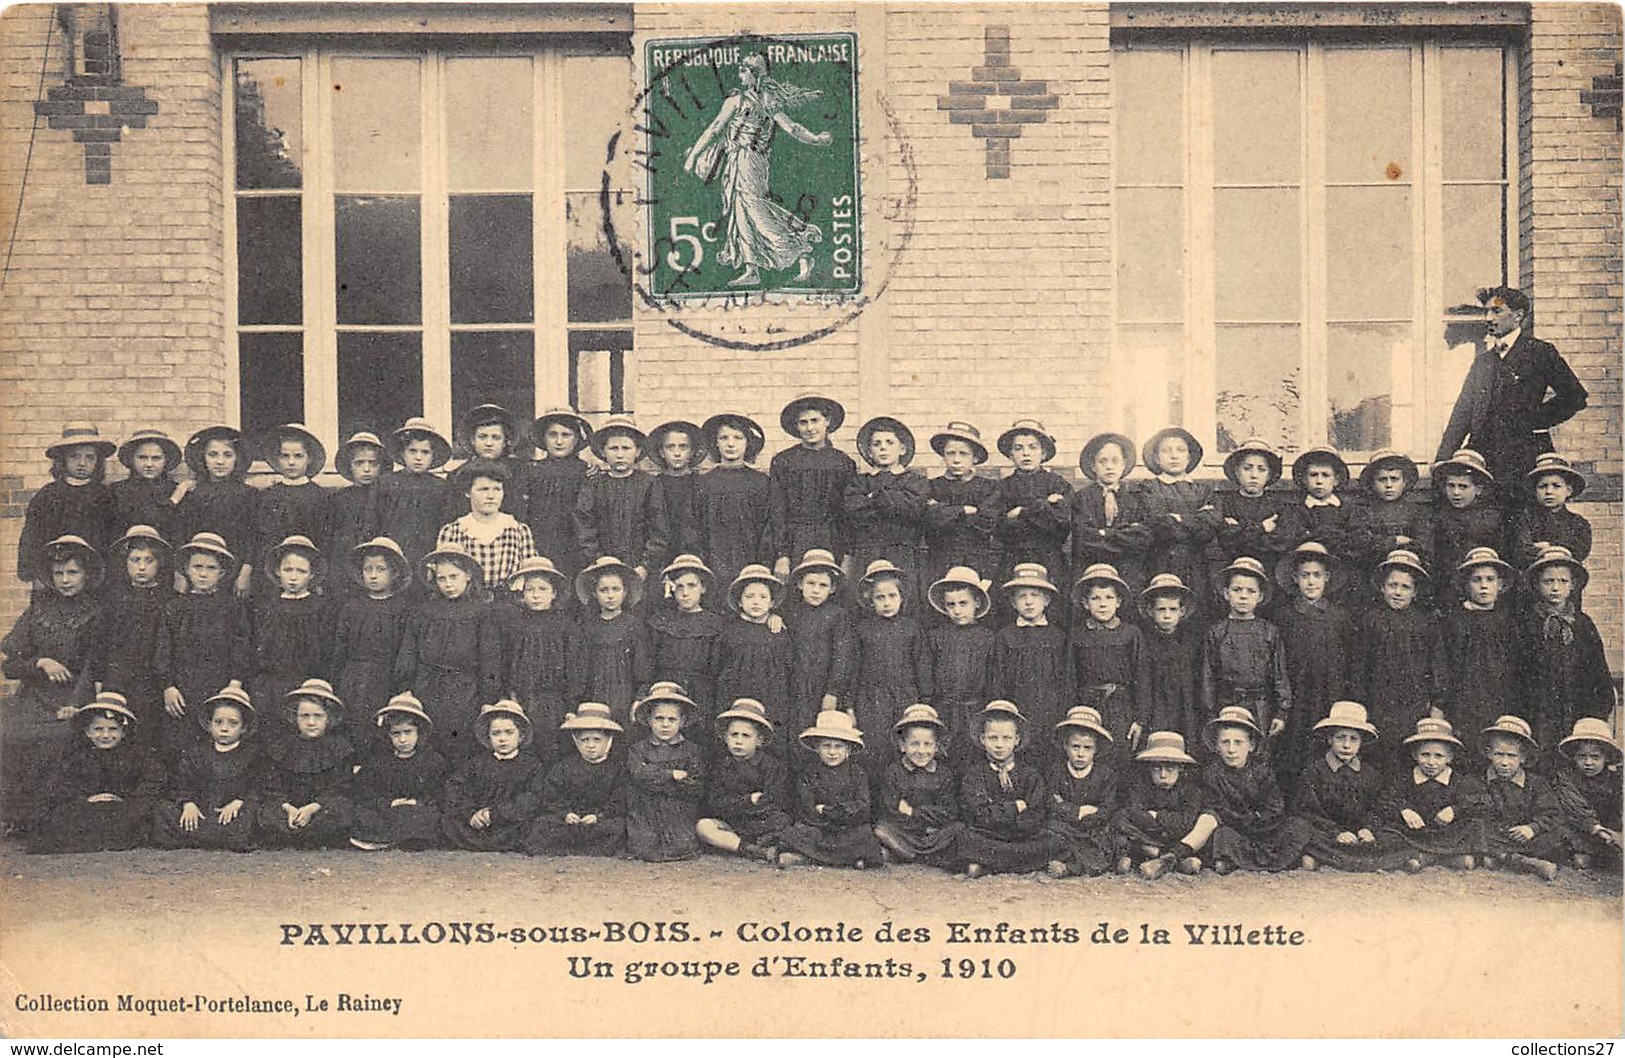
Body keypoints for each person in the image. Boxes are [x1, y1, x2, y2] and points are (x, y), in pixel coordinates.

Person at [682, 52, 833, 288]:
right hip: (737, 161)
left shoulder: (761, 101)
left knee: (756, 210)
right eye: (740, 70)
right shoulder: (741, 100)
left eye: (744, 70)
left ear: (755, 75)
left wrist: (815, 139)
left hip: (751, 162)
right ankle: (752, 268)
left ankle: (801, 248)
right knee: (741, 212)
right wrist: (694, 156)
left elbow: (791, 127)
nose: (740, 74)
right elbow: (714, 129)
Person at [1436, 285, 1588, 491]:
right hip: (1485, 458)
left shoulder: (1539, 352)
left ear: (1518, 316)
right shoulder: (1483, 361)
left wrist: (1535, 420)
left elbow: (1575, 396)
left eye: (1496, 311)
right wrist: (1443, 460)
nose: (1489, 318)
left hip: (1525, 456)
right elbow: (1463, 412)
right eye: (1486, 311)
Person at [2, 535, 105, 825]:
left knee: (59, 739)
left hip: (76, 696)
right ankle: (17, 818)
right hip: (34, 698)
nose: (65, 580)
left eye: (73, 572)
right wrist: (40, 662)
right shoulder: (38, 611)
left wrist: (76, 704)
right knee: (9, 735)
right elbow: (10, 665)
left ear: (87, 574)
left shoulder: (97, 613)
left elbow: (93, 666)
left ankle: (52, 819)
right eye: (58, 574)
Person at [154, 533, 250, 766]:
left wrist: (235, 682)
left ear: (222, 573)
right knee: (181, 741)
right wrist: (168, 685)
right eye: (197, 567)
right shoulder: (175, 606)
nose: (203, 573)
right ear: (187, 570)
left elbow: (242, 644)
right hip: (183, 686)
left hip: (220, 683)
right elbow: (164, 647)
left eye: (211, 568)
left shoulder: (232, 607)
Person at [29, 693, 162, 854]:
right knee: (61, 817)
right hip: (88, 806)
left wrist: (123, 797)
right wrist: (87, 798)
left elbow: (152, 781)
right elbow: (62, 785)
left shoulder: (137, 755)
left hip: (124, 805)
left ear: (123, 732)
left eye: (113, 729)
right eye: (98, 729)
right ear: (87, 732)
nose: (105, 735)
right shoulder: (78, 756)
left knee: (145, 814)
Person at [1272, 542, 1356, 789]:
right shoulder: (1284, 615)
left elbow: (1348, 657)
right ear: (1295, 578)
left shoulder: (1340, 616)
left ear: (1327, 578)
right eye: (1305, 575)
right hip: (1296, 691)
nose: (1311, 582)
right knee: (1295, 743)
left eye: (1317, 575)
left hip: (1330, 690)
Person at [1517, 547, 1615, 756]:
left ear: (1573, 586)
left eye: (1562, 581)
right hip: (1538, 708)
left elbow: (1598, 671)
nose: (1555, 588)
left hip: (1576, 705)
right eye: (1548, 581)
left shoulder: (1582, 624)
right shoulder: (1526, 624)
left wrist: (1595, 714)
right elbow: (1517, 671)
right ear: (1536, 585)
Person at [1290, 701, 1408, 873]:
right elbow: (1308, 811)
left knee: (1395, 834)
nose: (1346, 745)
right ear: (1329, 739)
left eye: (1353, 739)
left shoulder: (1370, 774)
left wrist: (1368, 829)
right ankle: (1351, 858)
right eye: (1340, 738)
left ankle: (1327, 859)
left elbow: (1379, 807)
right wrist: (1336, 833)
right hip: (1328, 834)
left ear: (1361, 743)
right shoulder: (1314, 771)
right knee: (1298, 829)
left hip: (1359, 835)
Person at [398, 543, 493, 754]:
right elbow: (409, 649)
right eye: (442, 578)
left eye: (454, 576)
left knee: (460, 741)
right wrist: (406, 686)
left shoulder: (481, 612)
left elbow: (489, 656)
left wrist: (488, 698)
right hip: (428, 684)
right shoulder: (423, 611)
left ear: (468, 575)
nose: (448, 584)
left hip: (466, 688)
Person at [150, 682, 262, 852]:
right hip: (200, 811)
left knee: (250, 814)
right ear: (209, 725)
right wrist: (188, 803)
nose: (224, 728)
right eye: (218, 722)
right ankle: (207, 836)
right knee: (163, 809)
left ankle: (205, 837)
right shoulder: (196, 752)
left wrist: (239, 802)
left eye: (233, 723)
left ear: (243, 728)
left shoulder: (252, 754)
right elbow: (184, 781)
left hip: (231, 813)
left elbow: (257, 785)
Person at [1357, 550, 1448, 761]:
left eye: (1405, 587)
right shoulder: (1371, 620)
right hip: (1378, 702)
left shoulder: (1425, 623)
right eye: (1392, 585)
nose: (1398, 592)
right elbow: (1359, 666)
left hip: (1413, 704)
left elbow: (1437, 664)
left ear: (1415, 591)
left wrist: (1437, 703)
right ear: (1382, 587)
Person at [1201, 706, 1314, 873]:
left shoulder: (1262, 771)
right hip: (1235, 829)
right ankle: (1234, 859)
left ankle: (1241, 861)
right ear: (1217, 746)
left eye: (1238, 742)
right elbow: (1217, 808)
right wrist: (1242, 820)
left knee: (1298, 826)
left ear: (1251, 745)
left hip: (1263, 828)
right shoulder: (1212, 774)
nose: (1231, 750)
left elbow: (1275, 808)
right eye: (1225, 742)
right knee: (1221, 835)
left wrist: (1257, 819)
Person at [245, 534, 330, 747]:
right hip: (267, 687)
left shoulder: (320, 607)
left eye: (301, 571)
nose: (293, 577)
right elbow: (252, 645)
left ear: (311, 575)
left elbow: (326, 652)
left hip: (303, 686)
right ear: (277, 571)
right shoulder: (265, 606)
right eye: (288, 570)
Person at [490, 555, 576, 764]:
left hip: (553, 702)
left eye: (542, 589)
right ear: (522, 593)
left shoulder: (566, 626)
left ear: (554, 593)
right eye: (530, 590)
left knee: (550, 749)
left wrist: (572, 704)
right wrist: (508, 694)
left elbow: (575, 667)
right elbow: (506, 662)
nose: (536, 595)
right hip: (521, 699)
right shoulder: (515, 625)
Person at [1199, 556, 1291, 752]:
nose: (1243, 596)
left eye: (1251, 591)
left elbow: (1279, 673)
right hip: (1227, 704)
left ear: (1260, 596)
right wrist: (1210, 713)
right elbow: (1208, 676)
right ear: (1226, 593)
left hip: (1261, 707)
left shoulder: (1269, 631)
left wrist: (1281, 712)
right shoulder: (1217, 632)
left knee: (1259, 752)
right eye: (1237, 590)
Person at [90, 525, 172, 742]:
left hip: (151, 681)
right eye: (135, 560)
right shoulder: (113, 600)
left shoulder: (169, 600)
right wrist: (100, 681)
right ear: (125, 563)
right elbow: (100, 643)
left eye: (149, 561)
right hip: (117, 678)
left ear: (159, 563)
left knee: (149, 733)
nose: (142, 567)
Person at [850, 560, 931, 771]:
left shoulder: (912, 628)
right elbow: (853, 669)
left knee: (903, 745)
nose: (887, 602)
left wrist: (923, 702)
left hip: (905, 696)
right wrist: (850, 705)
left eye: (892, 596)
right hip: (870, 699)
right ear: (870, 601)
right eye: (880, 597)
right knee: (874, 748)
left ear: (902, 597)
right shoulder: (862, 630)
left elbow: (922, 666)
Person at [955, 700, 1053, 878]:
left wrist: (1013, 824)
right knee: (963, 836)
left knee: (1054, 839)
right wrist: (1015, 807)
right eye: (993, 738)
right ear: (982, 739)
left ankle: (987, 864)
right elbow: (978, 814)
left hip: (1021, 836)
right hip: (987, 834)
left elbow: (1036, 812)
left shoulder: (1030, 775)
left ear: (1016, 740)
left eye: (1006, 738)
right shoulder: (974, 775)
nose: (999, 745)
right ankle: (1021, 864)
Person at [328, 538, 414, 738]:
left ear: (394, 573)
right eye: (368, 569)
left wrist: (401, 687)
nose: (373, 575)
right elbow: (340, 648)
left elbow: (406, 650)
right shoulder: (352, 607)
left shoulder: (403, 608)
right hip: (353, 677)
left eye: (381, 569)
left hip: (385, 678)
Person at [1378, 716, 1487, 873]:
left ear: (1449, 758)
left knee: (1475, 825)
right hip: (1415, 833)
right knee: (1387, 832)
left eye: (1439, 756)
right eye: (1425, 755)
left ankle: (1425, 858)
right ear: (1415, 755)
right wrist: (1404, 810)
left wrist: (1454, 810)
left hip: (1447, 833)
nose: (1431, 762)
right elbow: (1386, 799)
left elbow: (1478, 801)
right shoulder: (1404, 778)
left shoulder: (1460, 780)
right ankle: (1449, 858)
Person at [843, 416, 929, 613]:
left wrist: (874, 497)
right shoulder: (859, 482)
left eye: (889, 443)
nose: (883, 448)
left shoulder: (916, 481)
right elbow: (855, 510)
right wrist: (893, 501)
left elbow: (912, 510)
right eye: (876, 444)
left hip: (903, 553)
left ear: (902, 449)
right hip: (867, 553)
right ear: (869, 451)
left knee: (905, 606)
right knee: (864, 606)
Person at [777, 709, 884, 869]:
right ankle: (845, 860)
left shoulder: (857, 773)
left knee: (865, 835)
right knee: (793, 833)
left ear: (848, 750)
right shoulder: (808, 772)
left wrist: (832, 811)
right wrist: (821, 816)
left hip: (846, 826)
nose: (832, 752)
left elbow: (863, 804)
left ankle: (809, 858)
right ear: (817, 748)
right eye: (826, 746)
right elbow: (806, 805)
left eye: (838, 746)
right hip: (817, 827)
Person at [256, 678, 355, 849]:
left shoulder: (339, 747)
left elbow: (340, 787)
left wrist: (312, 808)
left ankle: (302, 835)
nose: (311, 722)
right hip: (289, 808)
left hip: (320, 808)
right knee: (267, 812)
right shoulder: (282, 746)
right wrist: (288, 808)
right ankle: (299, 833)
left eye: (318, 716)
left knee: (341, 812)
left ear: (329, 718)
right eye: (304, 716)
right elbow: (272, 786)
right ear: (295, 717)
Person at [16, 423, 116, 591]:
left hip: (95, 579)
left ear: (98, 462)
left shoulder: (106, 496)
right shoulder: (48, 495)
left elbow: (112, 538)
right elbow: (31, 537)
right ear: (62, 460)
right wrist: (34, 574)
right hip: (53, 578)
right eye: (74, 456)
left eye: (90, 457)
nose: (82, 463)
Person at [1441, 547, 1523, 751]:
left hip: (1500, 700)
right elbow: (1443, 663)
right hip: (1463, 703)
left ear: (1501, 585)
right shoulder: (1453, 621)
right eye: (1477, 580)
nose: (1484, 586)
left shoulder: (1509, 622)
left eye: (1490, 579)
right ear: (1466, 585)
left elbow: (1518, 666)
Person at [769, 394, 857, 579]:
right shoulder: (784, 461)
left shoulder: (843, 462)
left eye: (815, 421)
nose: (810, 428)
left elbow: (849, 513)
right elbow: (777, 510)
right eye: (803, 422)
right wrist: (782, 555)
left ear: (827, 422)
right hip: (796, 539)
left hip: (832, 539)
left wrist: (848, 555)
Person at [523, 702, 627, 858]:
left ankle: (594, 850)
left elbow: (620, 800)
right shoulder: (564, 767)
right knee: (542, 824)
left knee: (619, 827)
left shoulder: (617, 769)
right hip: (569, 822)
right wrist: (565, 814)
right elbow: (552, 797)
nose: (590, 746)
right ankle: (568, 850)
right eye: (585, 740)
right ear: (576, 740)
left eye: (597, 740)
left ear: (609, 740)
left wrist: (599, 816)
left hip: (598, 822)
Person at [574, 415, 668, 585]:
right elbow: (585, 525)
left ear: (637, 451)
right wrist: (598, 560)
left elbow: (658, 527)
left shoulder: (649, 483)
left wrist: (645, 566)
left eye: (626, 448)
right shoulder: (594, 484)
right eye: (613, 448)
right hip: (602, 565)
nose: (620, 455)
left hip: (638, 567)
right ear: (603, 452)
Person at [989, 420, 1072, 611]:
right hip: (1013, 558)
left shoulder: (1058, 484)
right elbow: (999, 526)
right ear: (1011, 455)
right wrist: (1044, 507)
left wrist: (1022, 512)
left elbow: (1060, 523)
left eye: (1033, 447)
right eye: (1018, 448)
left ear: (1043, 453)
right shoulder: (1002, 487)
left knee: (1054, 609)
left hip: (1050, 559)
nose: (1026, 453)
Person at [349, 693, 448, 852]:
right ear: (388, 735)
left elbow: (439, 793)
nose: (402, 740)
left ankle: (399, 837)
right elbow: (365, 792)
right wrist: (389, 803)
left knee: (427, 816)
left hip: (417, 809)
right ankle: (399, 837)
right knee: (363, 814)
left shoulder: (433, 761)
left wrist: (417, 802)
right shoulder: (379, 761)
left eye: (408, 732)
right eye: (396, 733)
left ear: (419, 732)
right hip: (388, 809)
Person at [696, 698, 791, 863]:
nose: (738, 741)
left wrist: (739, 805)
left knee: (785, 825)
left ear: (759, 740)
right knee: (703, 826)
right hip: (732, 823)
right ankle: (751, 850)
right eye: (734, 735)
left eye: (746, 736)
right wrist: (748, 800)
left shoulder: (771, 766)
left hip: (763, 822)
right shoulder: (721, 766)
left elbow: (773, 800)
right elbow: (716, 802)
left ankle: (763, 847)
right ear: (726, 737)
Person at [1113, 730, 1217, 878]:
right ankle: (1170, 859)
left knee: (1205, 826)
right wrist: (1165, 822)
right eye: (1157, 768)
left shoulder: (1191, 790)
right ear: (1149, 767)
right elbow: (1133, 812)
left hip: (1178, 839)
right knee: (1119, 819)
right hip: (1148, 837)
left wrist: (1157, 815)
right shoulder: (1140, 786)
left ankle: (1167, 858)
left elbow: (1186, 823)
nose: (1163, 775)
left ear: (1181, 768)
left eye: (1170, 769)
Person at [441, 700, 541, 852]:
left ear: (520, 736)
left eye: (509, 732)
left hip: (507, 822)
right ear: (488, 737)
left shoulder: (531, 765)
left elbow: (531, 797)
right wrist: (471, 813)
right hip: (477, 821)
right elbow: (456, 787)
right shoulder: (477, 763)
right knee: (448, 820)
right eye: (496, 733)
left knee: (533, 824)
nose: (502, 739)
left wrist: (495, 814)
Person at [1137, 426, 1218, 614]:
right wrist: (1194, 518)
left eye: (1180, 450)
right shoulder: (1150, 487)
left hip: (1195, 563)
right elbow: (1159, 525)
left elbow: (1209, 527)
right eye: (1166, 451)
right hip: (1162, 560)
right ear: (1157, 458)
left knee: (1196, 610)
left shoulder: (1202, 490)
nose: (1174, 456)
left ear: (1189, 457)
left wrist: (1178, 518)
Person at [872, 704, 963, 869]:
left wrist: (913, 812)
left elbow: (948, 811)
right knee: (881, 829)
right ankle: (929, 857)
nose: (921, 751)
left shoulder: (944, 774)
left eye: (928, 744)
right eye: (914, 744)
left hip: (934, 832)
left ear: (937, 746)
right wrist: (924, 818)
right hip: (904, 831)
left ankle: (906, 855)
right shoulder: (893, 772)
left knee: (959, 829)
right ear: (902, 745)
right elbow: (891, 809)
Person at [1069, 563, 1148, 752]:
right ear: (1085, 603)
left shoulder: (1131, 633)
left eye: (1109, 597)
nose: (1103, 604)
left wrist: (1140, 719)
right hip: (1087, 705)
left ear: (1118, 601)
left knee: (1119, 753)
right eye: (1095, 598)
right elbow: (1070, 678)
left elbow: (1142, 676)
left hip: (1121, 706)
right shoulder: (1077, 634)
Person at [624, 683, 707, 862]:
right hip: (645, 810)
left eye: (672, 719)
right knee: (644, 847)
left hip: (678, 810)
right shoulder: (638, 749)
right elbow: (639, 775)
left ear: (682, 721)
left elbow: (696, 787)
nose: (665, 725)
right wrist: (672, 776)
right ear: (649, 720)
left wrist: (655, 779)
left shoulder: (692, 750)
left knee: (682, 846)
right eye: (659, 719)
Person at [924, 565, 996, 766]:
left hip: (975, 710)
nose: (956, 610)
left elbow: (993, 677)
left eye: (963, 603)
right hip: (944, 709)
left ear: (977, 602)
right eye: (950, 604)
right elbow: (928, 675)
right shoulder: (937, 636)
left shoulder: (988, 638)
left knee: (973, 758)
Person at [569, 556, 652, 728]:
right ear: (594, 593)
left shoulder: (634, 625)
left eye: (616, 589)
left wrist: (639, 699)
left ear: (625, 592)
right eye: (604, 590)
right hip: (595, 695)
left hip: (624, 695)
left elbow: (643, 668)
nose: (610, 596)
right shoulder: (587, 627)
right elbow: (579, 670)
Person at [1479, 715, 1565, 882]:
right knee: (1474, 828)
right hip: (1495, 833)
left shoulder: (1537, 783)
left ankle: (1499, 857)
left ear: (1523, 757)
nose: (1504, 762)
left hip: (1525, 836)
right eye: (1499, 754)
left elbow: (1551, 812)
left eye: (1512, 756)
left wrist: (1532, 828)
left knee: (1558, 837)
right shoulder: (1480, 779)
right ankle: (1523, 862)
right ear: (1489, 754)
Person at [990, 563, 1071, 736]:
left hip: (1051, 712)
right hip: (1017, 709)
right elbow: (997, 678)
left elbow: (1068, 680)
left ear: (1047, 600)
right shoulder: (1005, 636)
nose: (1028, 602)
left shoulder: (1058, 636)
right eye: (1022, 596)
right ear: (1013, 602)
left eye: (1035, 595)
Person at [174, 426, 256, 596]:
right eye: (213, 455)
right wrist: (181, 573)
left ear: (237, 459)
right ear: (203, 458)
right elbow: (181, 534)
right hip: (199, 571)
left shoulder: (248, 494)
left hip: (234, 567)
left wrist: (245, 573)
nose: (220, 461)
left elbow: (252, 537)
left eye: (227, 455)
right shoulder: (193, 494)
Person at [695, 412, 773, 591]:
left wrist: (763, 563)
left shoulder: (760, 481)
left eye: (738, 438)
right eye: (724, 438)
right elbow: (694, 526)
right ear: (716, 442)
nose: (730, 444)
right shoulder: (704, 482)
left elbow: (769, 525)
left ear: (748, 442)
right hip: (713, 561)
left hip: (750, 559)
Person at [646, 554, 724, 729]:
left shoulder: (715, 623)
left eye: (691, 585)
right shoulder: (661, 621)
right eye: (679, 586)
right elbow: (649, 664)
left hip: (702, 693)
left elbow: (718, 667)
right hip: (665, 689)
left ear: (703, 588)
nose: (685, 593)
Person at [251, 423, 329, 596]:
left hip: (304, 571)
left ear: (309, 459)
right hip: (270, 569)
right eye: (285, 456)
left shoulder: (319, 496)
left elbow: (324, 538)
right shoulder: (268, 495)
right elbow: (259, 535)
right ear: (277, 459)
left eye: (298, 456)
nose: (291, 462)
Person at [1071, 432, 1153, 597]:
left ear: (1124, 464)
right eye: (1103, 461)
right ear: (1093, 466)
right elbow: (1084, 537)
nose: (1109, 467)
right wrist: (1122, 535)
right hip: (1093, 567)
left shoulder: (1137, 496)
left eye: (1115, 461)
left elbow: (1140, 538)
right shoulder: (1082, 497)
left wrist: (1104, 533)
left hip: (1128, 568)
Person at [1043, 705, 1120, 879]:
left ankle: (1069, 868)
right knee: (1048, 833)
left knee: (1108, 838)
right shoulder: (1056, 771)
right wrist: (1080, 811)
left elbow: (1106, 809)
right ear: (1065, 746)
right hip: (1063, 828)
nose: (1080, 754)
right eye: (1075, 747)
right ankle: (1066, 862)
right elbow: (1051, 804)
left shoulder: (1105, 774)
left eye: (1087, 748)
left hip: (1092, 828)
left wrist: (1066, 806)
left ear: (1096, 749)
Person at [437, 464, 538, 594]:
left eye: (497, 489)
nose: (491, 496)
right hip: (468, 602)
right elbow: (444, 573)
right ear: (468, 492)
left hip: (508, 604)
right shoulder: (453, 531)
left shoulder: (518, 529)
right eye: (483, 489)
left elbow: (531, 573)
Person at [713, 563, 792, 730]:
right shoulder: (729, 631)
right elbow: (717, 665)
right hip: (734, 695)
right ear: (739, 601)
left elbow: (786, 670)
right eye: (749, 596)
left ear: (772, 602)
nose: (756, 602)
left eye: (763, 597)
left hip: (770, 698)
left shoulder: (778, 632)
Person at [523, 408, 594, 592]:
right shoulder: (531, 471)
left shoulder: (587, 472)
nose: (559, 441)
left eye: (566, 435)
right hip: (541, 544)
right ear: (543, 438)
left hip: (576, 547)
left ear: (577, 439)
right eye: (553, 435)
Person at [922, 422, 999, 590]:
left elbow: (986, 523)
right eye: (951, 453)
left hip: (976, 558)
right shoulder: (931, 486)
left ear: (975, 458)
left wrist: (945, 511)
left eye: (963, 454)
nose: (956, 459)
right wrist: (964, 510)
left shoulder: (988, 487)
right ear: (943, 456)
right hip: (940, 559)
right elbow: (931, 520)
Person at [784, 549, 854, 731]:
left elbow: (843, 656)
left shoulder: (838, 616)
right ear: (800, 584)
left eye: (823, 585)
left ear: (832, 589)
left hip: (823, 685)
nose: (816, 590)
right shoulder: (792, 613)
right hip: (794, 685)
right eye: (811, 583)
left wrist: (833, 692)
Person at [378, 417, 454, 575]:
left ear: (433, 455)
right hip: (392, 555)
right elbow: (375, 522)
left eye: (425, 452)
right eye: (412, 451)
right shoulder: (386, 483)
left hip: (427, 557)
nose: (418, 457)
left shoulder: (441, 487)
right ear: (402, 453)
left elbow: (445, 525)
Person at [1430, 449, 1504, 606]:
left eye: (1463, 487)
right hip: (1446, 588)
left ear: (1478, 489)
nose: (1456, 492)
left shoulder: (1492, 519)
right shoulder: (1438, 517)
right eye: (1451, 486)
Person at [1138, 573, 1201, 745]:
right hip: (1156, 706)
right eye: (1161, 609)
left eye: (1172, 609)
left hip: (1183, 706)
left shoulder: (1191, 642)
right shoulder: (1144, 641)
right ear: (1151, 611)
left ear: (1182, 611)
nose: (1167, 615)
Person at [1350, 449, 1431, 582]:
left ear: (1405, 482)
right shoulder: (1363, 511)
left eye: (1394, 479)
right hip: (1371, 571)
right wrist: (1396, 541)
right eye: (1382, 480)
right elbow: (1360, 544)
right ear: (1372, 483)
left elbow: (1423, 545)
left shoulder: (1416, 511)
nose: (1388, 485)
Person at [1553, 718, 1622, 872]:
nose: (1588, 762)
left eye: (1595, 757)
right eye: (1582, 757)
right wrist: (1596, 828)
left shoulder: (1615, 780)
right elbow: (1574, 807)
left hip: (1609, 831)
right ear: (1574, 757)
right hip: (1578, 828)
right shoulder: (1566, 776)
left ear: (1607, 758)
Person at [324, 431, 386, 598]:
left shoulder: (386, 497)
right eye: (359, 463)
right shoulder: (337, 498)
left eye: (373, 463)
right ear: (349, 466)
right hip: (343, 560)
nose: (367, 469)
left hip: (375, 564)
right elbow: (328, 536)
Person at [1213, 437, 1287, 574]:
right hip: (1231, 569)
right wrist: (1262, 528)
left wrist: (1241, 530)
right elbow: (1228, 542)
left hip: (1267, 570)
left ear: (1269, 474)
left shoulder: (1278, 507)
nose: (1254, 475)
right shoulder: (1225, 504)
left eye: (1261, 469)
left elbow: (1278, 544)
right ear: (1236, 471)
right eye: (1247, 468)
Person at [445, 404, 527, 521]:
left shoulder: (520, 472)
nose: (489, 443)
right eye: (482, 437)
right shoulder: (457, 475)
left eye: (496, 437)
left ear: (505, 441)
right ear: (472, 440)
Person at [1510, 452, 1592, 568]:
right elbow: (1521, 552)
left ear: (1568, 491)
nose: (1549, 491)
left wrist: (1545, 546)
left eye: (1556, 486)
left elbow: (1579, 550)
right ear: (1535, 491)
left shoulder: (1578, 523)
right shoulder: (1524, 519)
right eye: (1543, 486)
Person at [647, 420, 704, 575]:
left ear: (692, 452)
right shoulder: (653, 484)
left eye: (683, 447)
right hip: (661, 555)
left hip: (695, 554)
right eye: (670, 447)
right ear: (661, 452)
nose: (677, 453)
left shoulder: (701, 483)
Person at [110, 427, 184, 543]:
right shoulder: (116, 491)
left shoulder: (176, 490)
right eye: (142, 458)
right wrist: (172, 501)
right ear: (132, 459)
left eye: (156, 458)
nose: (149, 464)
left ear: (166, 460)